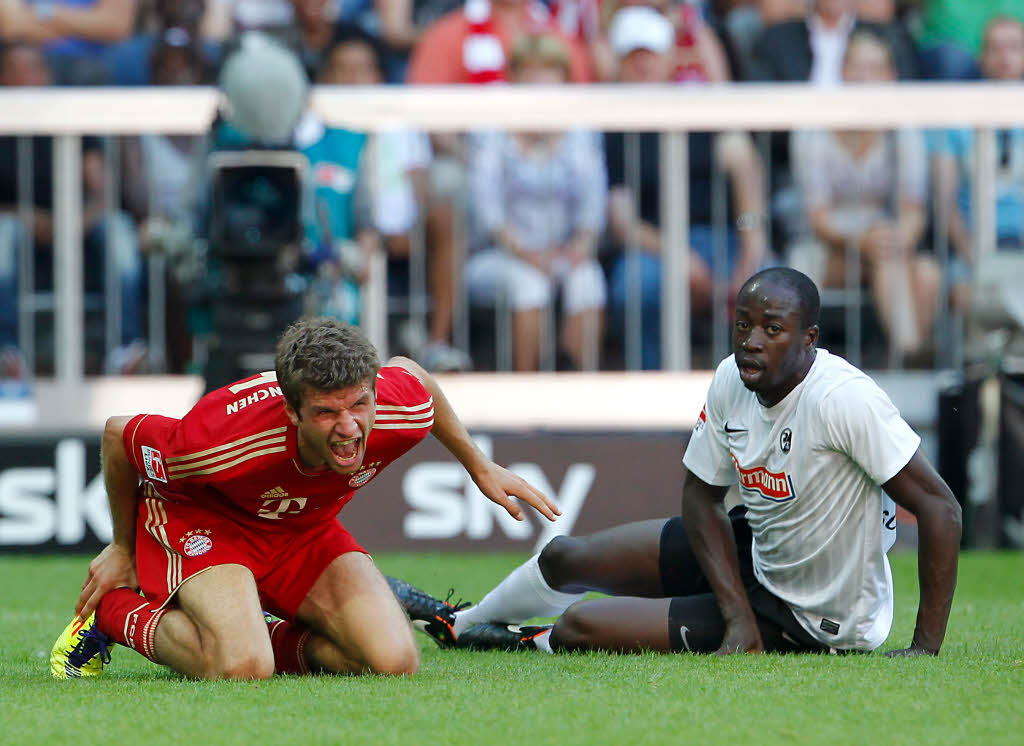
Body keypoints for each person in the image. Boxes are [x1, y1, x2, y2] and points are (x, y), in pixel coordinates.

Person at [392, 267, 961, 657]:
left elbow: (939, 506)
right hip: (758, 548)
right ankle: (459, 624)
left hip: (817, 616)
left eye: (773, 330)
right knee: (567, 555)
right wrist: (736, 610)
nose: (751, 341)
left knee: (580, 626)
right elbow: (699, 496)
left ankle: (517, 641)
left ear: (809, 339)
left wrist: (924, 647)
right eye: (743, 324)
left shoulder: (844, 400)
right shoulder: (730, 379)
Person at [49, 316, 559, 680]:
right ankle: (113, 613)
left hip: (303, 531)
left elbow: (418, 376)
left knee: (392, 662)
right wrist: (121, 547)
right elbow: (120, 435)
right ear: (291, 410)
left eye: (360, 405)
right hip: (208, 525)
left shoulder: (394, 408)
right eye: (325, 413)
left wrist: (479, 465)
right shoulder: (218, 441)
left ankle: (254, 629)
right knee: (242, 669)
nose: (348, 428)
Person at [602, 5, 767, 369]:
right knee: (635, 286)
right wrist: (678, 257)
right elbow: (622, 222)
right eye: (633, 57)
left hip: (723, 238)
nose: (643, 65)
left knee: (770, 285)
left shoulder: (703, 108)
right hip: (655, 249)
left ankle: (761, 400)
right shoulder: (613, 125)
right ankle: (649, 398)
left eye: (652, 54)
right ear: (618, 64)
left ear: (672, 57)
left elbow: (742, 163)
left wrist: (750, 247)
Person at [790, 29, 939, 364]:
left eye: (874, 69)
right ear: (841, 73)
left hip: (883, 243)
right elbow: (817, 216)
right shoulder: (813, 129)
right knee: (884, 257)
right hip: (826, 245)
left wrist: (898, 238)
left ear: (891, 77)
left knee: (927, 272)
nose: (864, 78)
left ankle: (904, 358)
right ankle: (910, 360)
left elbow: (913, 208)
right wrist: (864, 240)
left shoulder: (903, 129)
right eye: (856, 67)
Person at [463, 32, 607, 371]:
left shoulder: (580, 129)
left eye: (549, 71)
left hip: (564, 251)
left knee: (588, 281)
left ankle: (579, 394)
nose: (539, 80)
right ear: (513, 78)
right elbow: (489, 214)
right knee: (530, 286)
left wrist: (577, 249)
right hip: (498, 255)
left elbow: (593, 204)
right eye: (530, 71)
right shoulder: (491, 129)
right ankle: (525, 399)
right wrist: (530, 255)